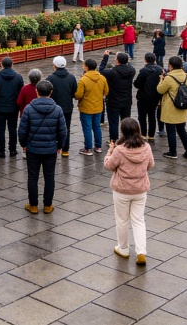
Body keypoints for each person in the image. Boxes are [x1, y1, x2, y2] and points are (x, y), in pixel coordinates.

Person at [105, 118, 154, 265]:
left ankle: (124, 248)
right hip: (140, 189)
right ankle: (141, 252)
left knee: (122, 220)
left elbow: (109, 165)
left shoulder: (119, 150)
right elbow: (151, 165)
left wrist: (109, 152)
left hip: (122, 190)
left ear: (123, 132)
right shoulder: (146, 147)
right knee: (138, 220)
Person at [18, 80, 66, 213]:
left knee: (32, 177)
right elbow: (62, 131)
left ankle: (33, 205)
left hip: (33, 148)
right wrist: (60, 145)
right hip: (50, 149)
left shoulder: (28, 109)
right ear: (51, 92)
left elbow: (22, 130)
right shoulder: (57, 109)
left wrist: (23, 144)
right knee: (49, 177)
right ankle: (47, 205)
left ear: (36, 91)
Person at [157, 56, 187, 159]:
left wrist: (161, 79)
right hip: (182, 106)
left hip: (171, 107)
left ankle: (173, 152)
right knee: (182, 130)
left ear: (170, 66)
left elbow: (160, 90)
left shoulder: (169, 78)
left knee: (171, 130)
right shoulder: (186, 76)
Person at [0, 57, 24, 157]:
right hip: (13, 107)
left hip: (0, 107)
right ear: (12, 65)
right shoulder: (18, 77)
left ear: (2, 65)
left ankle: (1, 151)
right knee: (13, 128)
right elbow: (21, 92)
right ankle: (13, 150)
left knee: (0, 129)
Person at [74, 57, 108, 155]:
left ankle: (88, 148)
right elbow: (106, 91)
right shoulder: (102, 78)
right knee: (97, 127)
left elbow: (78, 95)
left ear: (87, 67)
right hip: (98, 107)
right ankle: (98, 147)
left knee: (87, 128)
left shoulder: (83, 80)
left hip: (86, 107)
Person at [47, 56, 78, 157]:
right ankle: (65, 150)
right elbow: (74, 92)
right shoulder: (71, 77)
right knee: (66, 128)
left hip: (53, 108)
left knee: (52, 128)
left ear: (55, 65)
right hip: (67, 107)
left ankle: (54, 148)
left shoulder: (50, 78)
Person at [102, 52, 136, 143]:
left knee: (113, 122)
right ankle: (127, 139)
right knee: (126, 122)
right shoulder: (132, 71)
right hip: (126, 101)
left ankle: (113, 140)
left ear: (117, 60)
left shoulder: (112, 72)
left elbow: (101, 70)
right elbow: (130, 65)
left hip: (113, 101)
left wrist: (105, 57)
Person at [134, 53, 162, 140]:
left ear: (145, 60)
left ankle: (143, 134)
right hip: (155, 96)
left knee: (142, 116)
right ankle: (151, 135)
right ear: (155, 60)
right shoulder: (160, 69)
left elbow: (137, 83)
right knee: (152, 115)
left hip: (143, 96)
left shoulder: (143, 70)